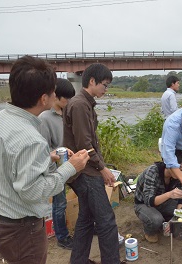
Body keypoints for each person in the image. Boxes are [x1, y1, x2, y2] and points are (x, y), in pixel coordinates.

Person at [0, 55, 89, 264]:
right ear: (44, 98)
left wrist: (48, 158)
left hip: (0, 218)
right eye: (53, 92)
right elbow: (34, 191)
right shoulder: (31, 139)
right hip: (23, 230)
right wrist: (71, 167)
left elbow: (10, 164)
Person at [63, 63, 120, 263]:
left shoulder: (85, 103)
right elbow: (84, 144)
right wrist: (102, 168)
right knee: (106, 222)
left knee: (86, 220)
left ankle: (78, 260)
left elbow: (90, 142)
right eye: (105, 85)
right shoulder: (79, 104)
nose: (106, 89)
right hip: (85, 173)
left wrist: (103, 166)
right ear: (92, 81)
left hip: (85, 171)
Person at [38, 78, 76, 250]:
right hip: (56, 169)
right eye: (65, 99)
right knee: (59, 204)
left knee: (84, 195)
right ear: (56, 97)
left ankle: (87, 225)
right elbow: (44, 149)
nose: (68, 102)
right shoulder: (44, 118)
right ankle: (62, 237)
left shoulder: (68, 113)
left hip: (73, 165)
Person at [134, 150, 182, 242]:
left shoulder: (179, 175)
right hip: (143, 204)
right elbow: (149, 201)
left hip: (163, 202)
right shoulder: (153, 171)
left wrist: (177, 216)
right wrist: (169, 194)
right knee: (156, 220)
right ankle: (149, 231)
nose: (181, 173)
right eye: (180, 169)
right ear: (171, 165)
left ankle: (166, 220)